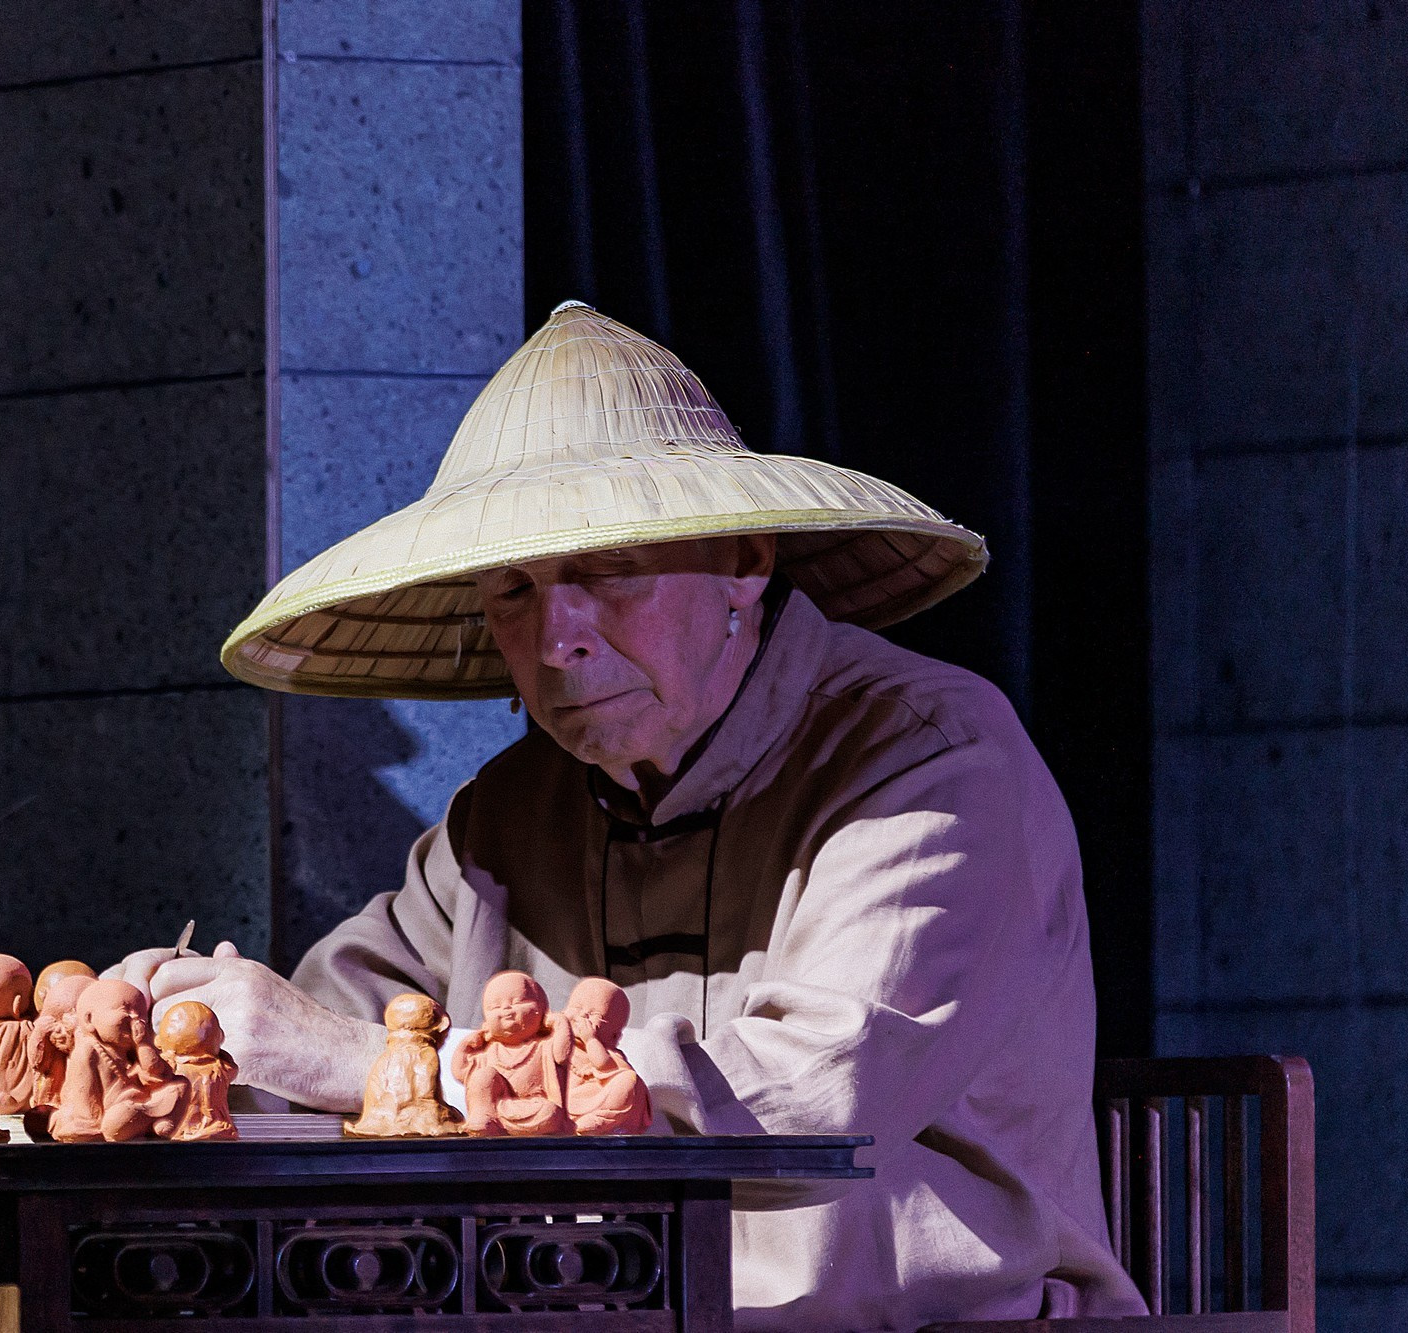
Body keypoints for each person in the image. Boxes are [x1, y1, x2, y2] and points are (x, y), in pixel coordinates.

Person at [113, 303, 1146, 1328]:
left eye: (603, 572)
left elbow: (813, 1094)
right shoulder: (511, 812)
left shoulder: (928, 757)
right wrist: (177, 1032)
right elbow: (331, 1016)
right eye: (512, 590)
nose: (556, 634)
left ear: (745, 562)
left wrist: (379, 1068)